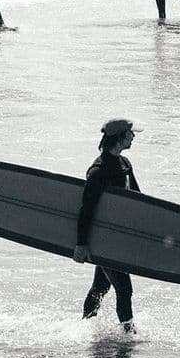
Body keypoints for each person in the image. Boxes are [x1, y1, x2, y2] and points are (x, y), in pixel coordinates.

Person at [71, 118, 142, 334]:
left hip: (118, 237)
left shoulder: (125, 164)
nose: (133, 136)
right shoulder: (98, 171)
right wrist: (81, 244)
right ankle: (128, 336)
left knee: (101, 287)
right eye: (130, 133)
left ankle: (84, 328)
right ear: (119, 137)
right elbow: (86, 210)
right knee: (124, 288)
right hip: (103, 239)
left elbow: (138, 199)